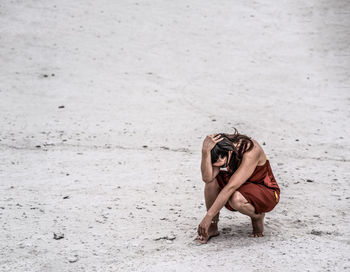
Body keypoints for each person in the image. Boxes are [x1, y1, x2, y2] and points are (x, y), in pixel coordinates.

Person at [196, 129, 280, 244]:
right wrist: (205, 152)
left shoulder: (251, 150)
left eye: (221, 163)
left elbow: (231, 187)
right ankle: (212, 227)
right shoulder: (218, 146)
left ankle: (257, 216)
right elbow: (207, 178)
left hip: (264, 190)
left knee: (235, 198)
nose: (217, 166)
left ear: (229, 152)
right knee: (212, 181)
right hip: (240, 185)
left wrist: (208, 216)